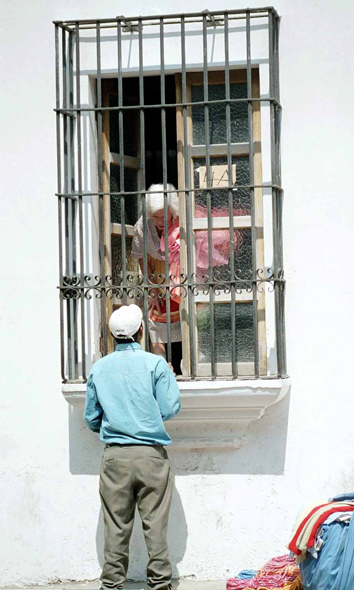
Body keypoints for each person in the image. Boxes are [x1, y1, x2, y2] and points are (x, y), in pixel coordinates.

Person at [84, 304, 181, 590]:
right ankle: (160, 584)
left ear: (113, 335)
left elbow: (91, 418)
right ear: (141, 331)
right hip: (151, 455)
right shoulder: (156, 364)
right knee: (156, 526)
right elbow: (170, 407)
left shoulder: (99, 368)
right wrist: (147, 417)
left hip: (115, 457)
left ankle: (112, 585)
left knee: (115, 526)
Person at [131, 184, 182, 373]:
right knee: (154, 320)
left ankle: (186, 364)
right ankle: (161, 365)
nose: (160, 221)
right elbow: (143, 258)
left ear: (172, 211)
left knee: (186, 323)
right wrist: (152, 288)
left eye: (163, 216)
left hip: (181, 279)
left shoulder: (181, 222)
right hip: (157, 279)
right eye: (155, 217)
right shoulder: (142, 226)